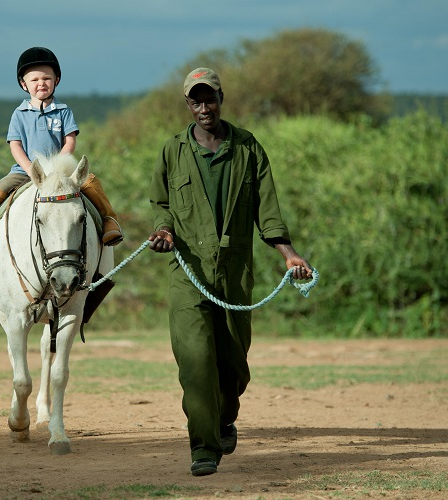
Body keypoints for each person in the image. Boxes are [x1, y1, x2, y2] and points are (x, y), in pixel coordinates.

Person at [147, 67, 313, 476]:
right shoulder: (172, 151)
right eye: (196, 101)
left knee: (234, 365)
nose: (204, 108)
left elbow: (268, 212)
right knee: (195, 360)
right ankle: (203, 447)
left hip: (235, 272)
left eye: (210, 99)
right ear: (187, 104)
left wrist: (289, 254)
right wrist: (163, 230)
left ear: (222, 98)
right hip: (188, 271)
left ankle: (223, 419)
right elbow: (161, 204)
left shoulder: (248, 148)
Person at [0, 47, 123, 259]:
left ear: (56, 80)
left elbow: (70, 141)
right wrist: (31, 169)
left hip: (59, 171)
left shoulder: (63, 111)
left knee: (90, 183)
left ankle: (109, 221)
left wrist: (59, 164)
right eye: (35, 80)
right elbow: (15, 145)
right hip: (25, 171)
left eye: (47, 78)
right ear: (24, 84)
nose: (41, 83)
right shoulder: (19, 114)